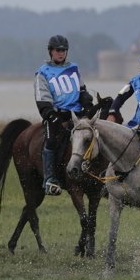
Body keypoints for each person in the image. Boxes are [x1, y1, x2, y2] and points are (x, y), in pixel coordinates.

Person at [34, 34, 93, 196]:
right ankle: (50, 179)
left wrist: (87, 103)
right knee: (51, 141)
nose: (61, 53)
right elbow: (42, 98)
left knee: (93, 136)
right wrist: (50, 114)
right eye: (57, 50)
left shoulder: (74, 68)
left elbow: (82, 91)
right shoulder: (42, 72)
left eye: (63, 50)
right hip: (55, 116)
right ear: (50, 51)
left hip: (76, 115)